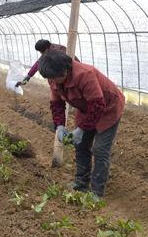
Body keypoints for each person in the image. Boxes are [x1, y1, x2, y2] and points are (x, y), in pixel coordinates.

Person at [38, 51, 124, 198]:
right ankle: (81, 182)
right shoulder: (54, 78)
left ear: (66, 69)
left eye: (56, 77)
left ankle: (97, 191)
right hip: (86, 107)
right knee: (81, 144)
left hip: (109, 107)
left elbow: (98, 105)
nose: (53, 81)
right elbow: (57, 104)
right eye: (50, 78)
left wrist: (82, 129)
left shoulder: (85, 75)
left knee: (100, 149)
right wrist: (59, 125)